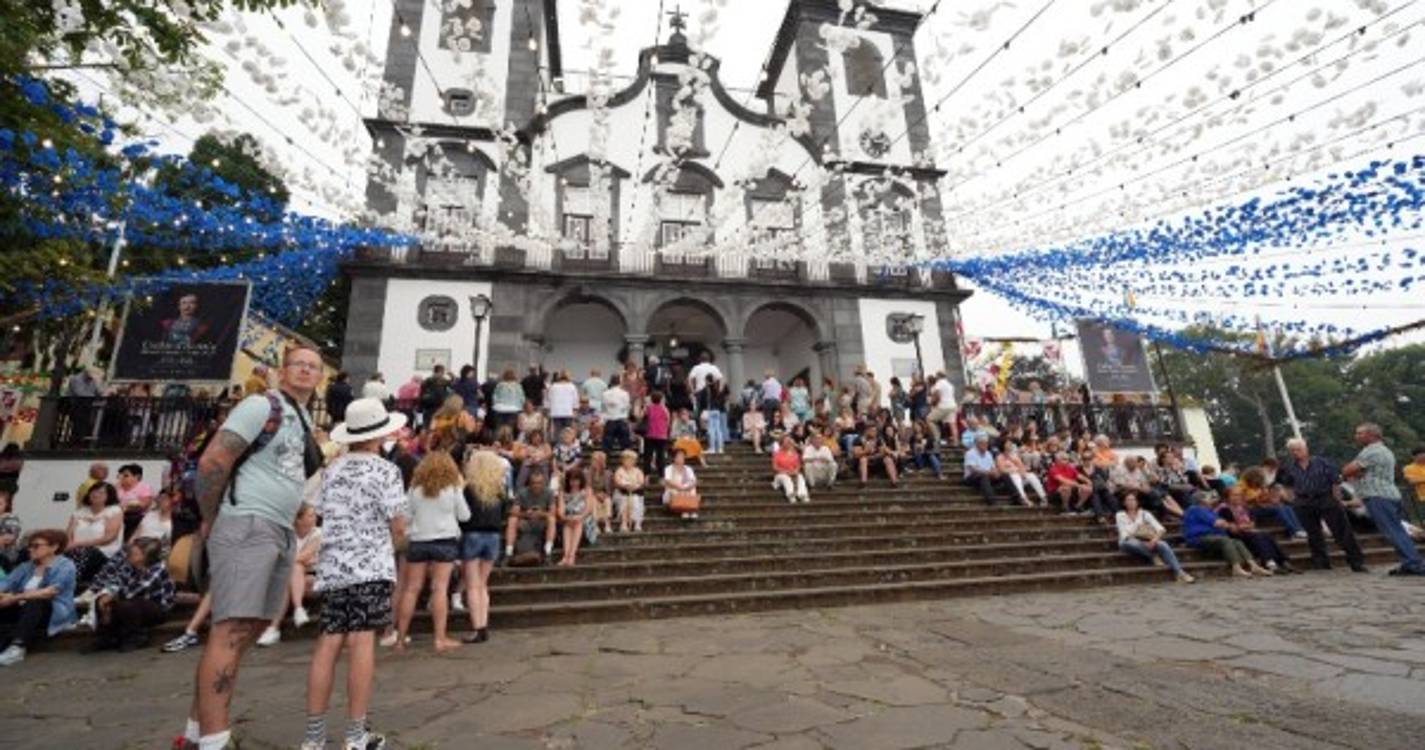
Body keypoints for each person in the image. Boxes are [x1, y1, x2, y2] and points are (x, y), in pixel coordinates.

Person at [178, 344, 323, 750]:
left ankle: (195, 730)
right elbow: (213, 462)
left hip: (278, 528)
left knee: (246, 629)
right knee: (232, 629)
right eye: (298, 364)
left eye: (314, 366)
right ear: (282, 369)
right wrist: (212, 516)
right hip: (248, 522)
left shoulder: (302, 416)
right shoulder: (261, 406)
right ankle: (214, 740)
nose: (306, 371)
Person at [302, 397, 408, 750]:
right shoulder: (385, 471)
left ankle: (314, 738)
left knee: (328, 642)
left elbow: (311, 509)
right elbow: (398, 524)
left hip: (333, 565)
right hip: (370, 566)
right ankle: (355, 735)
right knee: (362, 642)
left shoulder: (332, 469)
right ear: (380, 433)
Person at [395, 450, 468, 653]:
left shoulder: (414, 489)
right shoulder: (452, 488)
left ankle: (400, 638)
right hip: (444, 539)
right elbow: (464, 515)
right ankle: (439, 638)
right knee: (439, 588)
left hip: (419, 540)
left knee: (411, 589)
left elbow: (406, 517)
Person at [1344, 423, 1424, 576]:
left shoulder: (1371, 451)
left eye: (1359, 433)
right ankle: (1410, 562)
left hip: (1378, 496)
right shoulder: (1383, 450)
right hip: (1388, 494)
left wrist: (1354, 472)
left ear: (1372, 435)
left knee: (1393, 532)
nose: (1356, 436)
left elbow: (1348, 470)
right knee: (1397, 530)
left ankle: (1414, 564)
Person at [1276, 437, 1366, 572]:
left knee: (1342, 531)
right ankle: (1321, 562)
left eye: (1298, 449)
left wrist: (1337, 500)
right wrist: (1293, 500)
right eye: (1293, 450)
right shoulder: (1288, 467)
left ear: (1306, 449)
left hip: (1326, 497)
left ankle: (1356, 561)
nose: (1296, 452)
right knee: (1313, 533)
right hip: (1303, 500)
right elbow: (1286, 485)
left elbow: (1335, 481)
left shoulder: (1323, 462)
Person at [0, 529, 78, 666]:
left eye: (36, 546)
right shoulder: (26, 567)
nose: (30, 549)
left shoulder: (65, 565)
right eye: (29, 546)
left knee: (35, 601)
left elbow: (49, 592)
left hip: (53, 612)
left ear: (54, 547)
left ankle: (18, 648)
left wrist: (14, 597)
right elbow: (5, 583)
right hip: (25, 611)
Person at [87, 537, 176, 651]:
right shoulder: (129, 565)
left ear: (145, 556)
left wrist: (112, 596)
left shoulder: (158, 568)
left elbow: (134, 590)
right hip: (134, 602)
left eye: (134, 553)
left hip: (158, 608)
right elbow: (117, 582)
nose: (129, 554)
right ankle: (106, 638)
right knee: (100, 599)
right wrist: (107, 594)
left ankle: (136, 637)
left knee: (127, 605)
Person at [459, 448, 509, 643]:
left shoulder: (469, 489)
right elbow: (503, 513)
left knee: (472, 585)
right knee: (482, 584)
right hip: (493, 536)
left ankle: (477, 627)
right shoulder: (499, 490)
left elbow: (463, 515)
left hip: (472, 534)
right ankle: (483, 625)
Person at [256, 505, 322, 647]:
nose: (315, 518)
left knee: (294, 568)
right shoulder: (287, 535)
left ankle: (273, 628)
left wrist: (294, 560)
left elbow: (303, 556)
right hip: (291, 578)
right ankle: (298, 610)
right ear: (298, 520)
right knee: (293, 572)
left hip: (313, 578)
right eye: (310, 515)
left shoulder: (318, 534)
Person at [1181, 492, 1271, 578]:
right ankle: (1236, 567)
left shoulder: (1209, 511)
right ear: (1201, 500)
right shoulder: (1196, 509)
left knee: (1237, 542)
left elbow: (1222, 522)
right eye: (1208, 498)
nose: (1211, 500)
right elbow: (1218, 523)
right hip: (1199, 537)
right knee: (1225, 540)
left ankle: (1253, 565)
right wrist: (1225, 524)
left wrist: (1225, 524)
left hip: (1213, 536)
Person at [1115, 492, 1194, 583]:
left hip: (1147, 539)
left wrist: (1155, 539)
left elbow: (1161, 529)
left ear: (1137, 502)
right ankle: (1152, 555)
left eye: (1133, 500)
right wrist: (1138, 527)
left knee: (1163, 544)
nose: (1131, 502)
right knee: (1132, 543)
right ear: (1124, 503)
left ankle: (1180, 572)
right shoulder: (1120, 515)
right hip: (1128, 542)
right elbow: (1124, 534)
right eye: (1128, 500)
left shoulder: (1145, 514)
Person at [1219, 486, 1297, 574]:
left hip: (1248, 533)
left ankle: (1283, 561)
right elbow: (1233, 528)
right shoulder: (1224, 509)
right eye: (1234, 495)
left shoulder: (1243, 507)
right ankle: (1270, 563)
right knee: (1258, 536)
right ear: (1227, 497)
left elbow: (1252, 523)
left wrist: (1246, 527)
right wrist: (1246, 527)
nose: (1238, 497)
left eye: (1239, 495)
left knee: (1266, 536)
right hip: (1236, 536)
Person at [66, 481, 123, 587]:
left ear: (109, 496)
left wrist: (78, 544)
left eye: (101, 493)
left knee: (81, 553)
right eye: (93, 491)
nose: (96, 494)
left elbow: (109, 537)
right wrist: (68, 545)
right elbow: (68, 534)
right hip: (75, 547)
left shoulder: (114, 511)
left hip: (102, 549)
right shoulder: (80, 511)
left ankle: (68, 584)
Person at [504, 470, 558, 562]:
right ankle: (508, 552)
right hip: (526, 521)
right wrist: (526, 514)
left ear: (543, 483)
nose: (536, 485)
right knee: (512, 520)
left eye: (539, 483)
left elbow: (553, 512)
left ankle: (548, 552)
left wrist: (541, 513)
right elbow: (513, 512)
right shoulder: (522, 492)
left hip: (542, 521)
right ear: (529, 483)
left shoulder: (549, 492)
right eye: (534, 483)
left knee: (552, 519)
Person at [556, 469, 593, 564]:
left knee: (578, 523)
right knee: (568, 524)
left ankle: (572, 554)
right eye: (572, 480)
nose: (574, 483)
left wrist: (580, 517)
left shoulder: (587, 490)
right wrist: (565, 517)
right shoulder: (563, 492)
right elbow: (561, 511)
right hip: (569, 518)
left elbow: (588, 509)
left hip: (584, 519)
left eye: (577, 480)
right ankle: (566, 555)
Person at [115, 463, 155, 540]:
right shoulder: (117, 487)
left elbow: (144, 505)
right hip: (118, 515)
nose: (122, 478)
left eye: (126, 476)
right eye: (120, 475)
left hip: (135, 517)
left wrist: (125, 509)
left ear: (136, 477)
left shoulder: (144, 487)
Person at [852, 424, 899, 489]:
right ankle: (863, 482)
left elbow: (883, 451)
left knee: (888, 459)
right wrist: (866, 451)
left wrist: (876, 455)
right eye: (872, 431)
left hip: (876, 460)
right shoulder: (858, 439)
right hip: (863, 462)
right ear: (866, 431)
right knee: (863, 459)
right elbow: (856, 454)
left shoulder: (878, 439)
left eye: (875, 431)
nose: (874, 433)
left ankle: (894, 482)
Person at [962, 435, 1001, 505]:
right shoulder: (970, 453)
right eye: (983, 443)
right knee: (983, 475)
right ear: (977, 444)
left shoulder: (989, 454)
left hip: (987, 475)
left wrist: (995, 472)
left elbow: (993, 467)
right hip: (971, 477)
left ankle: (1016, 496)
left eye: (986, 443)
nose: (985, 445)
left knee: (1005, 475)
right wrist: (987, 472)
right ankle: (991, 500)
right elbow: (973, 469)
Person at [662, 448, 700, 520]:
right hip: (673, 489)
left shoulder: (688, 468)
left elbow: (694, 480)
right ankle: (685, 510)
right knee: (676, 491)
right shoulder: (668, 468)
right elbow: (668, 481)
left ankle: (691, 510)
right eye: (679, 456)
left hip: (686, 489)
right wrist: (679, 487)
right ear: (674, 458)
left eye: (682, 456)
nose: (681, 458)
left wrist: (688, 487)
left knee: (692, 489)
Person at [613, 451, 646, 533]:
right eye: (627, 459)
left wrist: (634, 487)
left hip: (635, 491)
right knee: (624, 500)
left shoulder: (638, 471)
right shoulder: (619, 470)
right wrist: (625, 486)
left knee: (635, 500)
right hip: (622, 492)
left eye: (631, 460)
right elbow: (617, 481)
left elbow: (641, 482)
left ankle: (637, 523)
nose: (629, 462)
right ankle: (624, 523)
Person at [772, 436, 810, 504]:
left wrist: (796, 471)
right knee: (785, 477)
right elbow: (775, 467)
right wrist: (786, 472)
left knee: (800, 477)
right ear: (782, 443)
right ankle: (790, 495)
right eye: (786, 441)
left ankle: (802, 494)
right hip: (780, 474)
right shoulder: (777, 453)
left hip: (793, 473)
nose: (788, 443)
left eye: (789, 441)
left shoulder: (794, 453)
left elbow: (798, 465)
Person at [600, 375, 632, 453]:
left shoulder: (605, 394)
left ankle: (605, 461)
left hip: (610, 419)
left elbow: (603, 408)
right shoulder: (625, 393)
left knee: (607, 446)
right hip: (621, 419)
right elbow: (627, 406)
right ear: (620, 382)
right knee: (625, 445)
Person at [642, 391, 671, 477]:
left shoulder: (648, 408)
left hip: (649, 434)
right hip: (661, 435)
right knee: (661, 456)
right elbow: (668, 421)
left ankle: (646, 475)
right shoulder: (664, 409)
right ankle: (661, 475)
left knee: (648, 456)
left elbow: (641, 416)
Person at [699, 378, 729, 455]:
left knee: (711, 430)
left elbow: (702, 400)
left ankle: (712, 448)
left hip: (710, 410)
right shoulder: (719, 389)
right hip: (718, 410)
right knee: (718, 430)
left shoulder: (708, 389)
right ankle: (720, 448)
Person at [547, 370, 579, 437]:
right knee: (568, 432)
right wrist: (575, 410)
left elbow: (549, 399)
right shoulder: (572, 386)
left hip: (556, 412)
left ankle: (558, 445)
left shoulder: (553, 386)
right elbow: (575, 401)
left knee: (558, 432)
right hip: (568, 412)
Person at [0, 491, 21, 573]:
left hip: (4, 559)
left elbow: (10, 537)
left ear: (7, 505)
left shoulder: (10, 518)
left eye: (0, 504)